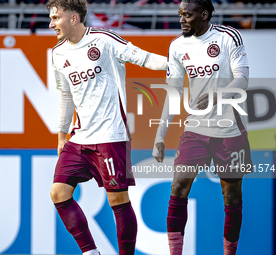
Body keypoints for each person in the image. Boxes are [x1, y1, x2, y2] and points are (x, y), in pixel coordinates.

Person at [46, 0, 167, 254]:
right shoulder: (58, 54)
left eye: (56, 17)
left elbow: (142, 57)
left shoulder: (104, 40)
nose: (51, 23)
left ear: (73, 18)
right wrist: (61, 134)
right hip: (79, 138)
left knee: (118, 201)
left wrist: (172, 64)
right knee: (58, 193)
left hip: (110, 135)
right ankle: (91, 252)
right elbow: (66, 96)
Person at [152, 0, 252, 254]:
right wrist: (160, 135)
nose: (182, 19)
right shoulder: (177, 46)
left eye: (187, 14)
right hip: (196, 128)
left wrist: (219, 94)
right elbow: (173, 94)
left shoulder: (229, 36)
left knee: (231, 197)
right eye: (180, 14)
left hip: (230, 128)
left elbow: (242, 78)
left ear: (204, 14)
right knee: (178, 186)